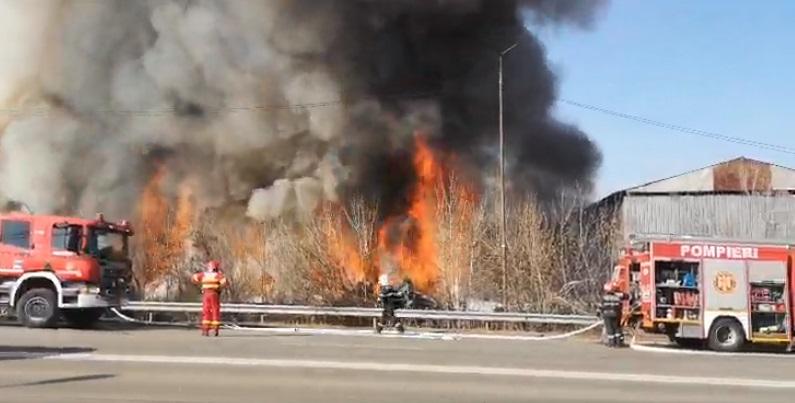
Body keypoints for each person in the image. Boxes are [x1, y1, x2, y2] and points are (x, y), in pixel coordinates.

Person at [191, 260, 228, 337]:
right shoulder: (218, 275)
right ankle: (215, 330)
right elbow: (225, 282)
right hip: (214, 294)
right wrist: (219, 288)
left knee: (206, 311)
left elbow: (194, 278)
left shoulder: (204, 274)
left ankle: (205, 330)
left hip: (206, 294)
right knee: (215, 310)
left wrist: (200, 284)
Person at [600, 281, 626, 347]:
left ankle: (611, 343)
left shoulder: (604, 297)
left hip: (607, 315)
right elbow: (627, 296)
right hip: (616, 315)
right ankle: (618, 343)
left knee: (610, 328)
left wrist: (598, 313)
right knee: (617, 328)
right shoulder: (618, 297)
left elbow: (601, 307)